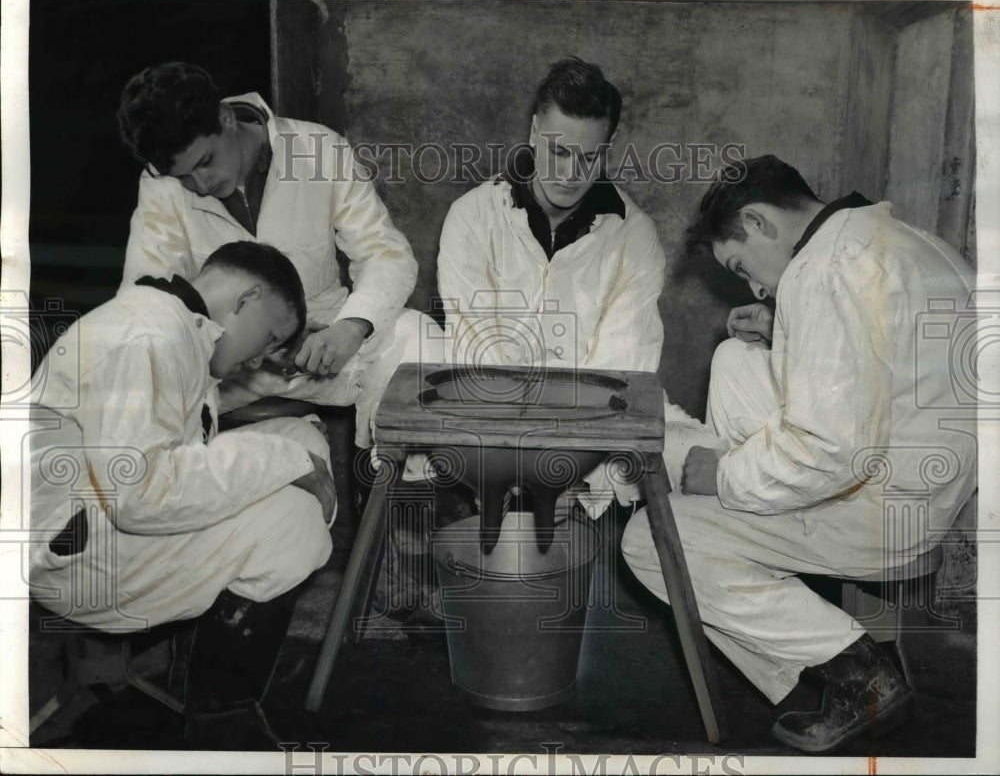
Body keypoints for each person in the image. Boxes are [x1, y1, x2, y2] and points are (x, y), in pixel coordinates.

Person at [620, 155, 978, 754]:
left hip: (882, 508)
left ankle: (858, 672)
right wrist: (785, 328)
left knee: (650, 538)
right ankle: (746, 539)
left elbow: (831, 450)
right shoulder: (892, 234)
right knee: (736, 359)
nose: (756, 286)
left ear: (759, 222)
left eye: (742, 265)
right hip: (930, 475)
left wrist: (727, 477)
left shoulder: (824, 272)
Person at [29, 241, 337, 748]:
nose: (261, 355)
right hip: (82, 560)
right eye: (269, 336)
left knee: (301, 440)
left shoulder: (173, 323)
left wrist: (291, 455)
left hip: (97, 520)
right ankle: (221, 718)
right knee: (293, 516)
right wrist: (286, 467)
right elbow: (142, 495)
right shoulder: (147, 337)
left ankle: (207, 648)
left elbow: (183, 447)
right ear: (246, 299)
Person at [435, 56, 695, 512]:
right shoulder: (472, 217)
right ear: (535, 132)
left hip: (589, 434)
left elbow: (621, 371)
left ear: (610, 144)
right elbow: (477, 350)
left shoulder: (634, 236)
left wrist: (564, 467)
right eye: (557, 151)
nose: (571, 174)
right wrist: (519, 461)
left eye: (589, 156)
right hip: (490, 420)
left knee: (689, 456)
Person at [116, 61, 422, 448]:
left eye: (205, 162)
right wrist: (232, 344)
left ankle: (398, 488)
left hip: (329, 336)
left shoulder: (316, 148)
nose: (201, 185)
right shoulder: (160, 187)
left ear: (226, 118)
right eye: (183, 178)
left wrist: (351, 326)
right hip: (231, 364)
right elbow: (149, 298)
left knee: (419, 339)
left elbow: (385, 254)